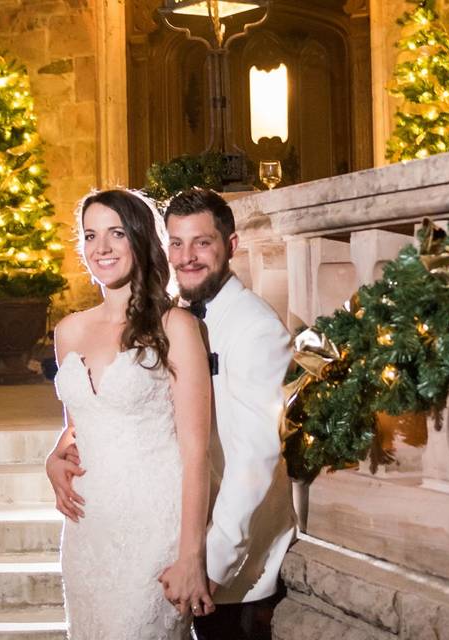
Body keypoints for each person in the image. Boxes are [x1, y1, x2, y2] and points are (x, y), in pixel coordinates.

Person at [45, 189, 215, 638]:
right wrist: (54, 457)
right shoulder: (68, 330)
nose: (101, 247)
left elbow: (197, 452)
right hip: (88, 529)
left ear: (140, 240)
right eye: (90, 235)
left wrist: (191, 555)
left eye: (116, 233)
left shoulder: (175, 326)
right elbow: (80, 424)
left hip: (153, 527)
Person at [165, 188, 295, 640]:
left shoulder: (255, 328)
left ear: (232, 246)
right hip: (182, 544)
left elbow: (255, 459)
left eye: (202, 242)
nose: (187, 257)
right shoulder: (173, 316)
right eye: (177, 244)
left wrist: (212, 561)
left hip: (232, 572)